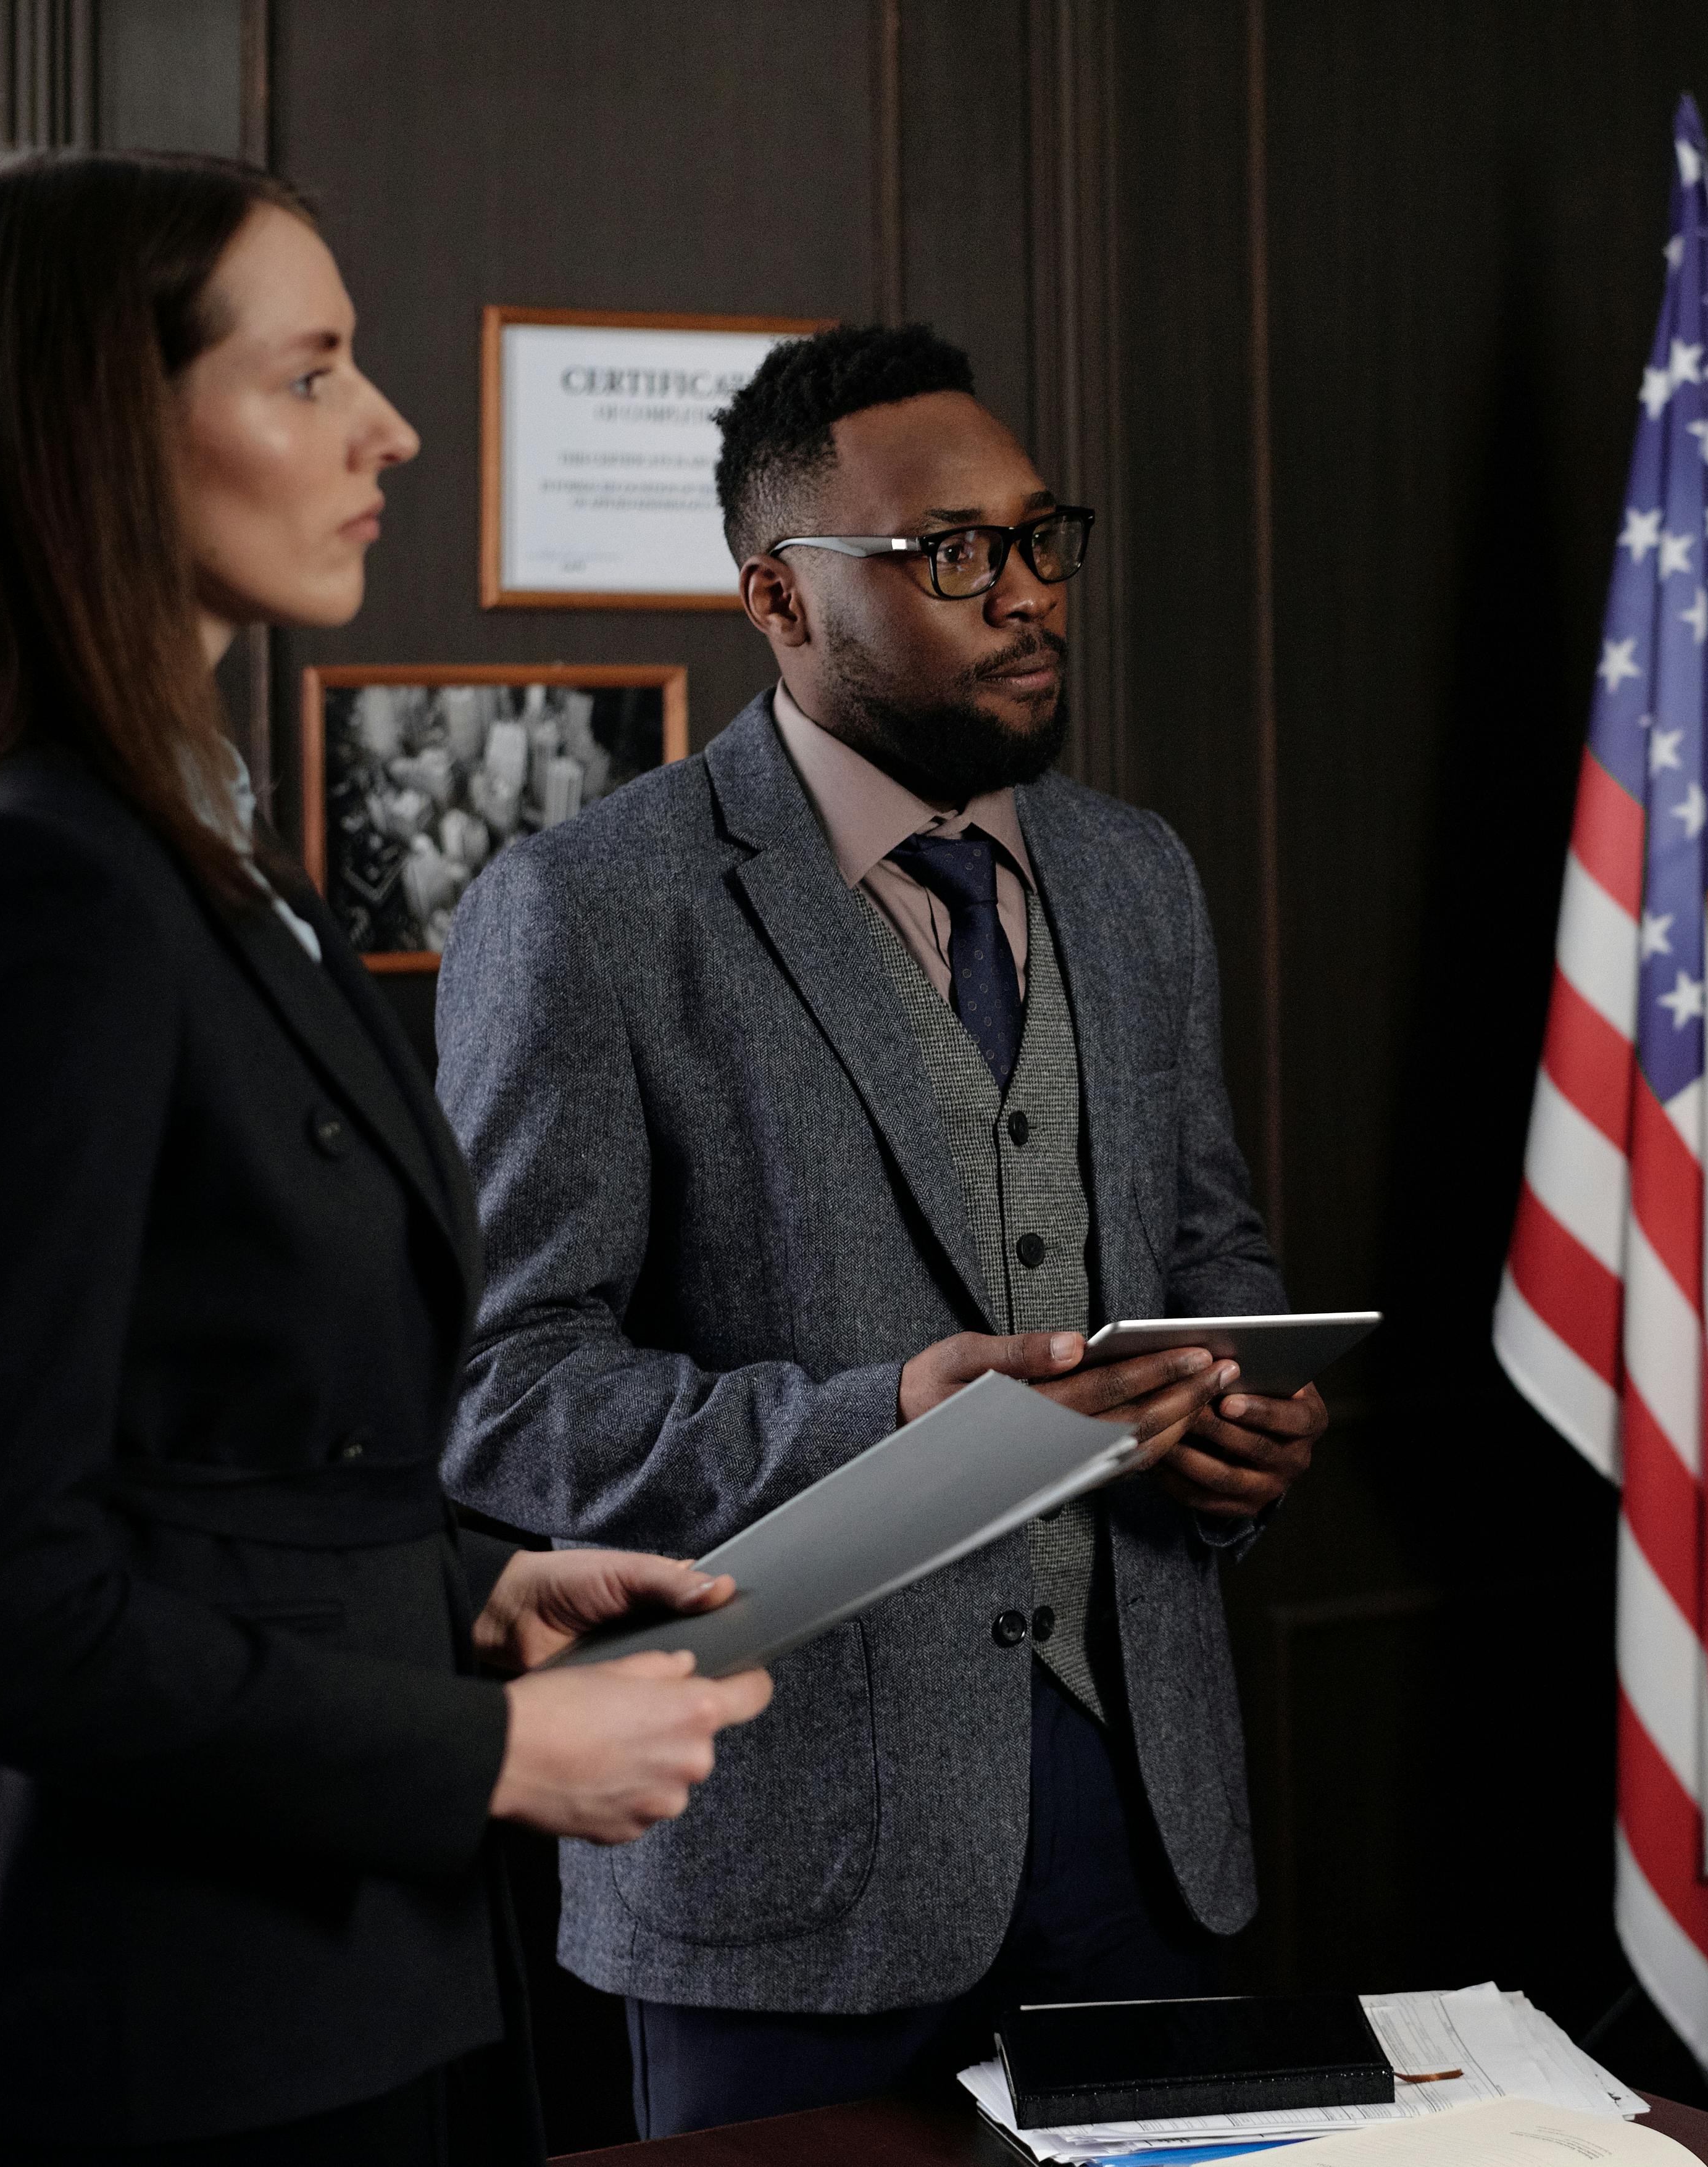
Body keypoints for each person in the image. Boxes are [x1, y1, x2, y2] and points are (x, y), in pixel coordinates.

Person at [0, 152, 772, 2166]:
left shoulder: (193, 845)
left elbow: (202, 1450)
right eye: (309, 377)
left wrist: (467, 1591)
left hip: (328, 1988)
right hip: (159, 2043)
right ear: (104, 427)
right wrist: (487, 1741)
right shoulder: (44, 884)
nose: (384, 429)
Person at [436, 322, 1327, 2136]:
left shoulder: (1135, 874)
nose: (1022, 595)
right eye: (949, 554)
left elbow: (1207, 1244)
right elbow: (507, 1398)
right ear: (775, 597)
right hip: (779, 1883)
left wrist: (1239, 1409)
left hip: (1145, 1840)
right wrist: (883, 1418)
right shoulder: (587, 912)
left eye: (1038, 538)